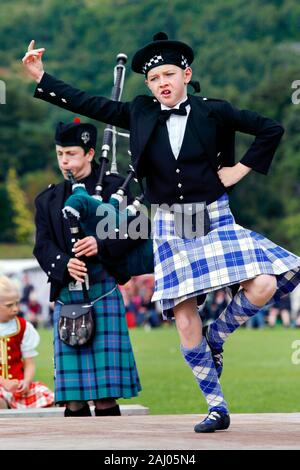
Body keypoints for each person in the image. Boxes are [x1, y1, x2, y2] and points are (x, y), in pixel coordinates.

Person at [22, 32, 300, 432]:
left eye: (169, 74)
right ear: (149, 85)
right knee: (184, 313)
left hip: (213, 217)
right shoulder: (140, 113)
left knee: (267, 283)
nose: (162, 83)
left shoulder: (213, 111)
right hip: (170, 221)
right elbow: (91, 104)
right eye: (154, 79)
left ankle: (216, 336)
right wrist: (42, 77)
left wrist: (239, 170)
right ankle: (216, 407)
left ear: (186, 74)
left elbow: (270, 129)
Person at [31, 119, 141, 417]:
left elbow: (139, 227)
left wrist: (101, 244)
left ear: (90, 153)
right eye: (60, 154)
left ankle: (112, 450)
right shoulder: (49, 200)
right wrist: (64, 262)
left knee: (105, 395)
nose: (64, 160)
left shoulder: (117, 189)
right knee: (74, 398)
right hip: (68, 293)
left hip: (103, 288)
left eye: (71, 153)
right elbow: (42, 246)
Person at [0, 275, 54, 409]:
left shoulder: (23, 327)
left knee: (46, 396)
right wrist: (3, 382)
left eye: (17, 303)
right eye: (9, 305)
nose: (15, 309)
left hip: (17, 386)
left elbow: (29, 363)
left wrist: (26, 381)